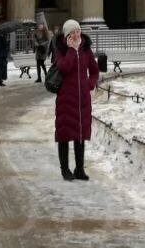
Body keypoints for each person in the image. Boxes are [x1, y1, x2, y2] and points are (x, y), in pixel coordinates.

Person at [52, 18, 99, 181]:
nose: (76, 34)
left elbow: (94, 70)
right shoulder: (61, 50)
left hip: (82, 99)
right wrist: (72, 50)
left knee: (80, 134)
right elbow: (64, 67)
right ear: (67, 35)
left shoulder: (86, 49)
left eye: (78, 31)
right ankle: (65, 169)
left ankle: (79, 169)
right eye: (73, 32)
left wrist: (90, 84)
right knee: (64, 134)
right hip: (66, 97)